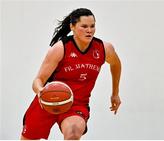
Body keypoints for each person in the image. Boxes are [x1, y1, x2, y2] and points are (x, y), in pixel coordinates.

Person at [20, 8, 122, 140]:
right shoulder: (60, 48)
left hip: (76, 104)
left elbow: (116, 64)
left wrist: (115, 93)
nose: (89, 30)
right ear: (72, 27)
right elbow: (38, 80)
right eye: (84, 26)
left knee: (73, 134)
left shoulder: (104, 48)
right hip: (48, 101)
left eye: (92, 26)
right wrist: (41, 92)